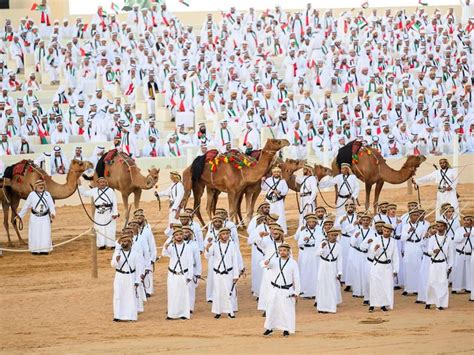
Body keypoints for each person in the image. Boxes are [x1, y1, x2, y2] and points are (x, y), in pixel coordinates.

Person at [262, 242, 300, 337]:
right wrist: (265, 263)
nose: (282, 252)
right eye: (281, 250)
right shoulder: (274, 261)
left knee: (286, 310)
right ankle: (269, 328)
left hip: (287, 290)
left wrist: (297, 291)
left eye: (284, 250)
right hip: (274, 289)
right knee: (271, 308)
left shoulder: (293, 263)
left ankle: (286, 329)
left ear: (288, 252)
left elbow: (297, 278)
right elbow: (264, 265)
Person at [205, 227, 240, 319]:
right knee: (217, 292)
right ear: (220, 235)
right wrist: (207, 248)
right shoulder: (215, 245)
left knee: (229, 292)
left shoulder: (232, 245)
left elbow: (235, 260)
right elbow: (207, 255)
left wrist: (236, 275)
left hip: (229, 273)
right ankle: (218, 312)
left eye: (227, 234)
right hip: (218, 273)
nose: (225, 236)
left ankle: (230, 312)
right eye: (223, 234)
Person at [78, 177, 118, 250]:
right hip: (98, 212)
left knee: (110, 228)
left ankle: (111, 244)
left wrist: (115, 213)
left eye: (104, 182)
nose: (102, 183)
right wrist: (80, 185)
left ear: (106, 183)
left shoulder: (110, 191)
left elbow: (114, 201)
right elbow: (85, 194)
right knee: (99, 228)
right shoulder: (94, 190)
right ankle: (101, 244)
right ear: (97, 183)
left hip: (109, 212)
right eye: (100, 182)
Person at [17, 179, 55, 255]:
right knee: (35, 233)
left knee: (45, 233)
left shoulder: (47, 194)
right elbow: (26, 206)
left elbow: (51, 205)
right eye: (39, 185)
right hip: (35, 218)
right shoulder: (32, 195)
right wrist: (20, 215)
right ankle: (35, 250)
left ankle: (44, 250)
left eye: (42, 185)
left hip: (45, 218)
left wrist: (53, 213)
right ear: (36, 186)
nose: (41, 186)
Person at [162, 228, 194, 320]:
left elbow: (190, 262)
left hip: (184, 274)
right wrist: (167, 244)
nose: (179, 236)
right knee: (172, 293)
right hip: (172, 274)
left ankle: (184, 313)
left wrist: (190, 276)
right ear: (174, 237)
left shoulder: (188, 247)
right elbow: (164, 253)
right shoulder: (171, 246)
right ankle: (172, 314)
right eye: (176, 235)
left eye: (180, 234)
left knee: (183, 294)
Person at [110, 231, 141, 322]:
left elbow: (138, 268)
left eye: (126, 241)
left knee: (130, 296)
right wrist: (116, 260)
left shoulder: (135, 254)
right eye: (123, 242)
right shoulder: (117, 253)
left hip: (131, 276)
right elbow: (112, 265)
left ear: (130, 243)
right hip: (119, 276)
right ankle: (118, 316)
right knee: (118, 295)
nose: (124, 243)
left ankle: (131, 316)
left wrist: (137, 281)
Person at [368, 223, 399, 312]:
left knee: (386, 286)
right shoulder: (377, 239)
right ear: (382, 229)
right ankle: (372, 305)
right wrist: (375, 249)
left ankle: (383, 305)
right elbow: (372, 253)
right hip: (377, 265)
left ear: (390, 232)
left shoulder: (393, 241)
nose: (386, 233)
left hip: (387, 267)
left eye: (388, 231)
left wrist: (395, 269)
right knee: (375, 286)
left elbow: (395, 256)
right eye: (384, 231)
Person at [426, 220, 454, 310]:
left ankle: (441, 304)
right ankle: (429, 301)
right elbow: (428, 251)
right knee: (431, 282)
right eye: (438, 226)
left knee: (443, 284)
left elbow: (451, 254)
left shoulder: (448, 239)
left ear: (445, 227)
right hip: (434, 263)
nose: (439, 228)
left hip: (443, 264)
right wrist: (433, 252)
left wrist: (450, 266)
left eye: (441, 226)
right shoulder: (432, 238)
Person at [401, 209, 429, 296]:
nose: (416, 217)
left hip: (418, 246)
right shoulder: (405, 226)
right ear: (410, 216)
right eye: (414, 215)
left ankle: (417, 288)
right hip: (409, 245)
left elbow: (424, 240)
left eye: (418, 215)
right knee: (408, 267)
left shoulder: (422, 227)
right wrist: (409, 231)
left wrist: (425, 238)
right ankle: (407, 288)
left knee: (418, 267)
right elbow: (402, 238)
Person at [316, 228, 343, 314]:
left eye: (335, 235)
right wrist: (321, 247)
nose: (333, 237)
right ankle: (321, 307)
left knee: (332, 286)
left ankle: (331, 307)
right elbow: (316, 253)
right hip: (323, 265)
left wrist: (339, 272)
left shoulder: (339, 246)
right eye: (331, 235)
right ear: (328, 235)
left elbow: (340, 260)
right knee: (322, 286)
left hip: (333, 266)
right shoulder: (323, 243)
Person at [296, 213, 321, 300]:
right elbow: (299, 243)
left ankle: (315, 292)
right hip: (306, 252)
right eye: (309, 222)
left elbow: (320, 241)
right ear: (307, 223)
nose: (311, 224)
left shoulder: (320, 230)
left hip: (315, 252)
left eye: (313, 222)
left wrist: (313, 241)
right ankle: (305, 292)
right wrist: (304, 240)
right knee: (306, 271)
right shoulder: (303, 232)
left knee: (315, 271)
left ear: (315, 223)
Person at [261, 167, 289, 233]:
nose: (276, 173)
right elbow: (264, 188)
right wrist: (262, 181)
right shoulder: (268, 180)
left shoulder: (283, 181)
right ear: (272, 173)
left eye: (278, 172)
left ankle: (281, 230)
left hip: (278, 201)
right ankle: (269, 230)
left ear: (280, 173)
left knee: (280, 214)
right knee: (269, 214)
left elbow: (285, 191)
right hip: (270, 201)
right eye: (275, 172)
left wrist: (279, 192)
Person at [182, 226, 202, 313]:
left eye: (187, 232)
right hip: (180, 269)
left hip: (191, 269)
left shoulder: (194, 244)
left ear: (190, 234)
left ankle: (190, 308)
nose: (185, 234)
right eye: (183, 232)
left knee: (190, 289)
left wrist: (198, 272)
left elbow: (197, 260)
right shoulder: (177, 243)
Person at [452, 215, 473, 294]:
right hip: (460, 253)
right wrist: (463, 235)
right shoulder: (459, 230)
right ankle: (456, 287)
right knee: (458, 270)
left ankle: (468, 287)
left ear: (471, 222)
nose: (466, 222)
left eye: (468, 220)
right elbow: (456, 240)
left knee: (469, 272)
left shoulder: (473, 230)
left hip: (470, 254)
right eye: (465, 220)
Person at [296, 164, 318, 229]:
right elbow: (296, 178)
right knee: (302, 214)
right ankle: (302, 227)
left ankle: (311, 227)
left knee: (310, 213)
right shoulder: (304, 178)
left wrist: (310, 201)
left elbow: (314, 190)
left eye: (305, 169)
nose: (303, 170)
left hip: (308, 198)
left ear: (308, 170)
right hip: (302, 198)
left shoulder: (312, 178)